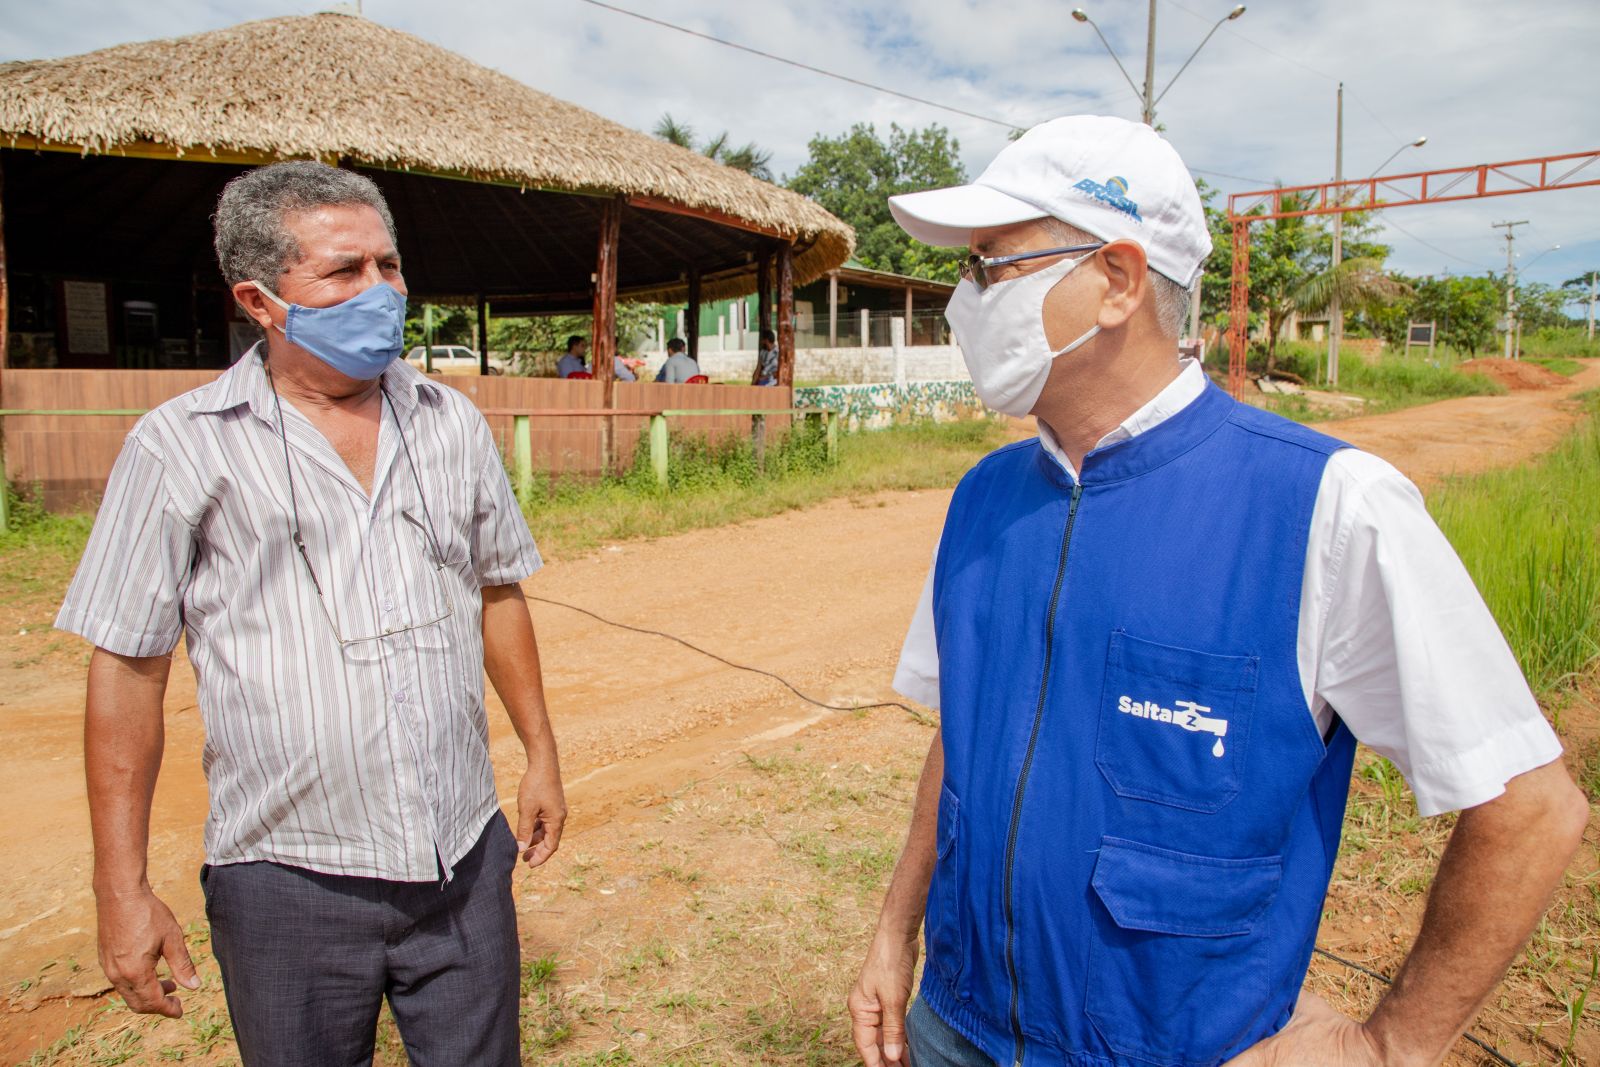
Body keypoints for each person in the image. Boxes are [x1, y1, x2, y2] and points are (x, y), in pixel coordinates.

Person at [846, 116, 1587, 1067]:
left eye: (992, 267)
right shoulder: (985, 498)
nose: (962, 299)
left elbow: (1531, 808)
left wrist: (1388, 1047)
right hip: (956, 1025)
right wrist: (894, 933)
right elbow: (965, 732)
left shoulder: (1328, 506)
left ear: (1115, 281)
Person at [57, 160, 567, 1066]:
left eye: (390, 265)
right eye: (344, 272)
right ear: (260, 301)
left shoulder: (450, 423)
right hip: (286, 881)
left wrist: (540, 754)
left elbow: (498, 589)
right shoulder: (180, 449)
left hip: (463, 859)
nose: (382, 291)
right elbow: (129, 667)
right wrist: (121, 887)